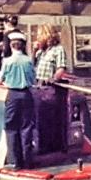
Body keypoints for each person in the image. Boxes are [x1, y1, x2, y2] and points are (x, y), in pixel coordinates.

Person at [0, 31, 37, 169]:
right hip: (26, 95)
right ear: (22, 46)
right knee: (26, 127)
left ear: (12, 46)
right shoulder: (28, 60)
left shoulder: (7, 61)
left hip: (13, 95)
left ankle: (15, 161)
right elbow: (33, 79)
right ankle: (28, 160)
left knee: (11, 127)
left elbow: (0, 78)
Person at [33, 24, 71, 154]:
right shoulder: (41, 52)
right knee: (40, 119)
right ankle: (43, 146)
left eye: (39, 36)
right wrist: (34, 52)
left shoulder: (58, 50)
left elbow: (61, 68)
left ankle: (56, 147)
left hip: (50, 89)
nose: (37, 38)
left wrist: (53, 78)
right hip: (38, 87)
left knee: (51, 118)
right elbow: (32, 66)